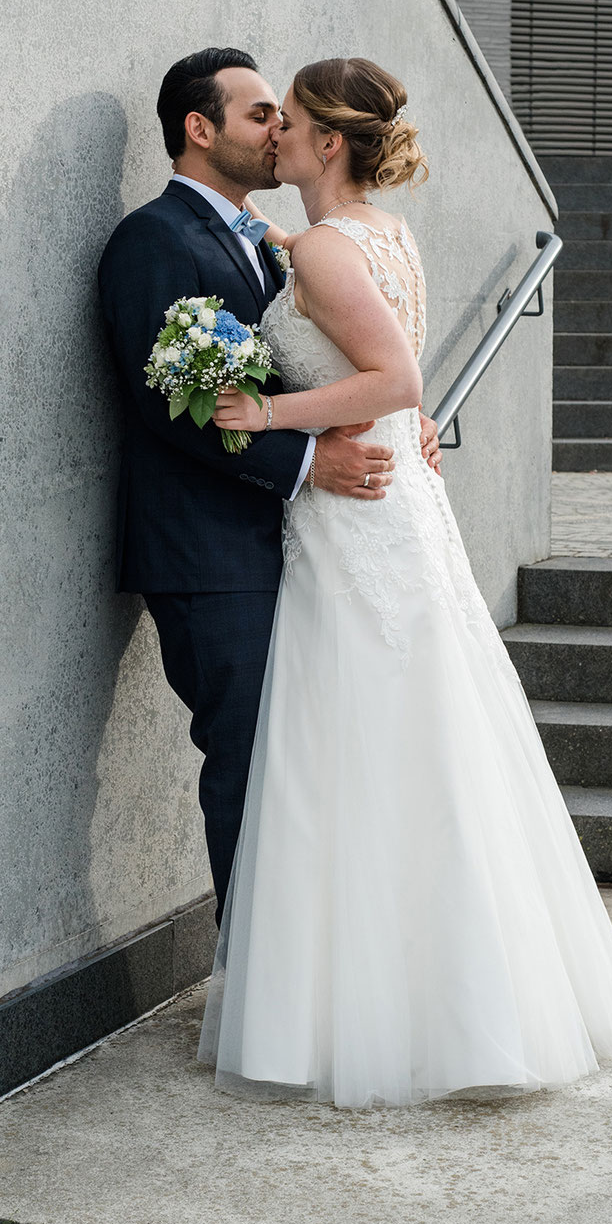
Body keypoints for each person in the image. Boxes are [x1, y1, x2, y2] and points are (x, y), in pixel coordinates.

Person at [199, 56, 612, 1108]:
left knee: (352, 749)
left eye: (292, 123)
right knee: (409, 741)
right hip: (385, 510)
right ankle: (431, 1003)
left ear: (327, 143)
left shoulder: (322, 242)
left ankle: (363, 1020)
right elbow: (385, 368)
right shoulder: (376, 236)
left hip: (357, 525)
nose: (276, 137)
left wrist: (260, 414)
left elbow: (395, 377)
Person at [97, 48, 441, 926]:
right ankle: (250, 983)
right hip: (207, 552)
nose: (276, 128)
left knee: (299, 766)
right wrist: (303, 460)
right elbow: (166, 404)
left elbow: (336, 358)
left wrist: (406, 422)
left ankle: (306, 972)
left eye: (282, 115)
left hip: (290, 540)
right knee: (248, 762)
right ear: (199, 129)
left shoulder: (270, 243)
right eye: (260, 114)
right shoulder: (154, 239)